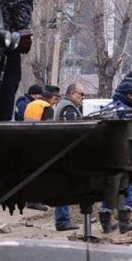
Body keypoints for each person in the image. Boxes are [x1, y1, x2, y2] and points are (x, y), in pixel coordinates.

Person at [99, 82, 132, 234]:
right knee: (128, 188)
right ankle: (124, 222)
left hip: (107, 157)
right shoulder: (124, 110)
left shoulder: (109, 107)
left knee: (109, 189)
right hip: (124, 156)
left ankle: (106, 223)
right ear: (129, 95)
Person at [52, 82, 85, 231]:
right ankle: (62, 220)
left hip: (62, 151)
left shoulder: (65, 105)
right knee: (63, 187)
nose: (82, 97)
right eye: (81, 94)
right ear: (72, 93)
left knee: (63, 186)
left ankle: (63, 219)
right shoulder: (68, 108)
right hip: (65, 153)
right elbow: (72, 131)